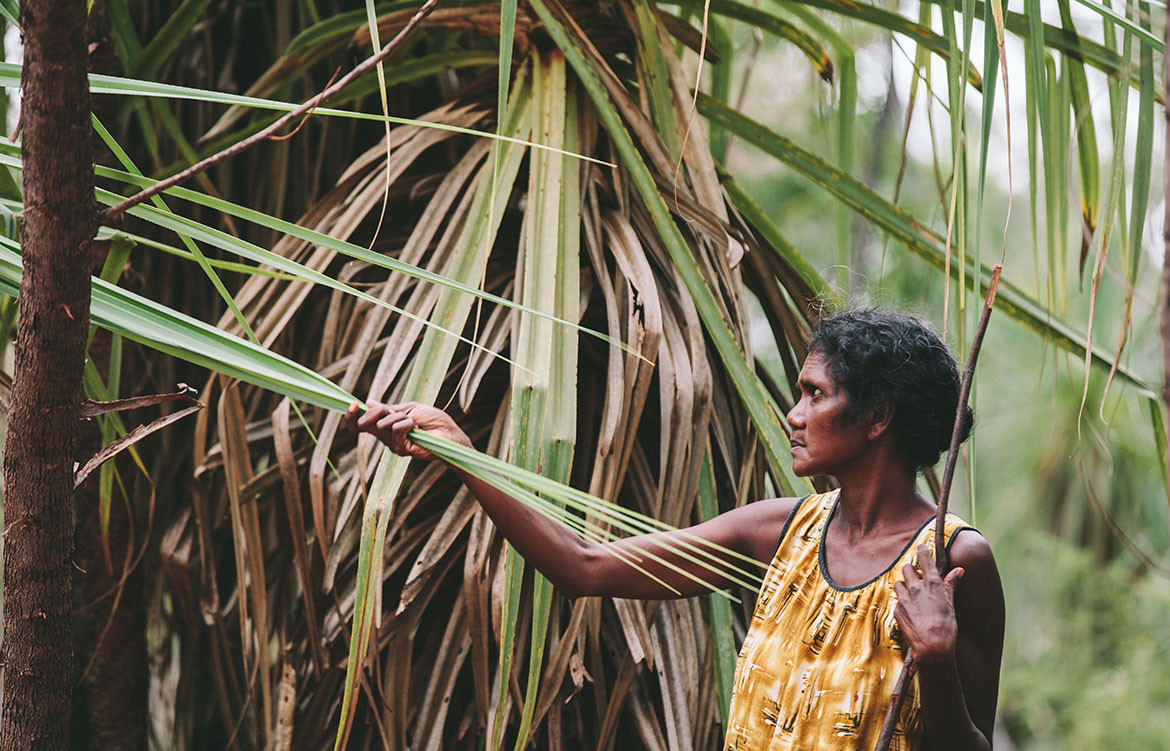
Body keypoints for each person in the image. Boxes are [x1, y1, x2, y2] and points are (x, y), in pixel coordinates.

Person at [345, 310, 1005, 750]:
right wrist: (463, 451)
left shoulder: (952, 562)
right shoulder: (779, 530)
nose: (791, 414)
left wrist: (936, 659)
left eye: (814, 394)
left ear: (877, 414)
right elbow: (583, 566)